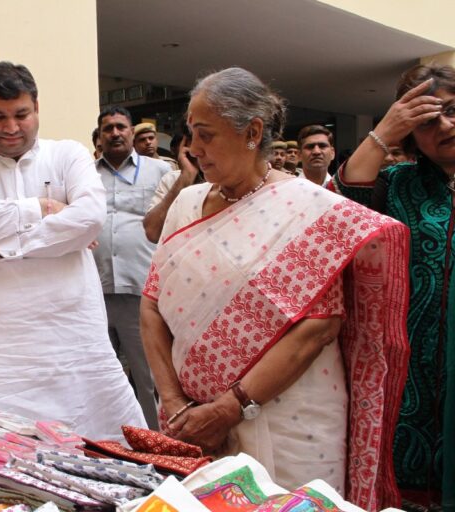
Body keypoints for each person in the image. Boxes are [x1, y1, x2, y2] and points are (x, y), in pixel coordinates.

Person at [140, 67, 409, 510]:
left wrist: (228, 408)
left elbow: (317, 328)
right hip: (189, 417)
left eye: (205, 134)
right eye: (190, 133)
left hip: (291, 419)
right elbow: (151, 304)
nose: (193, 148)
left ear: (253, 132)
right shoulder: (187, 202)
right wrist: (174, 402)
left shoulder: (310, 210)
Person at [0, 61, 146, 439]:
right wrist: (40, 208)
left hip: (72, 338)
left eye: (21, 114)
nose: (11, 127)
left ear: (36, 109)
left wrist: (1, 246)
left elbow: (89, 220)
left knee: (102, 443)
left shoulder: (68, 155)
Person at [331, 64, 455, 511]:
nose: (443, 125)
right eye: (425, 121)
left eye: (453, 111)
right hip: (411, 373)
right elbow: (343, 208)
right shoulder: (397, 186)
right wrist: (384, 130)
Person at [94, 106, 169, 429]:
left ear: (131, 132)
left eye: (120, 127)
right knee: (99, 376)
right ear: (99, 136)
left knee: (148, 376)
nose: (115, 133)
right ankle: (107, 440)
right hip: (94, 291)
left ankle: (158, 443)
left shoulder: (159, 172)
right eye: (108, 128)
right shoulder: (85, 173)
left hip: (140, 289)